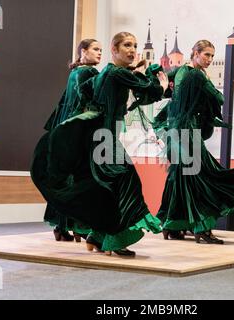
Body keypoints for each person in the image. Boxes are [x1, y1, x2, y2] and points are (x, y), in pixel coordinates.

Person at [31, 32, 169, 256]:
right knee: (126, 182)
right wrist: (160, 85)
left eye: (134, 46)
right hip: (105, 137)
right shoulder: (115, 72)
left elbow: (86, 91)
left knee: (110, 186)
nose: (132, 50)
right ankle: (114, 238)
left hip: (101, 135)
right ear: (115, 50)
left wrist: (108, 104)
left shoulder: (108, 72)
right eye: (126, 45)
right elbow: (150, 91)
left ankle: (97, 236)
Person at [153, 40, 234, 244]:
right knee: (202, 176)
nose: (209, 59)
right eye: (206, 55)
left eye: (211, 56)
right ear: (195, 53)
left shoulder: (178, 71)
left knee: (180, 178)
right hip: (188, 132)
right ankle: (201, 228)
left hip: (174, 130)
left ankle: (172, 225)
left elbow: (162, 86)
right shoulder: (198, 75)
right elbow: (220, 98)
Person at [33, 39, 102, 242]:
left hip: (65, 127)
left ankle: (61, 225)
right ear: (83, 51)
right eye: (96, 49)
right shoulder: (89, 73)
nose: (99, 53)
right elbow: (87, 101)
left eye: (101, 50)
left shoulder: (74, 73)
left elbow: (62, 103)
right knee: (81, 176)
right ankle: (78, 225)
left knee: (64, 176)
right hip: (79, 128)